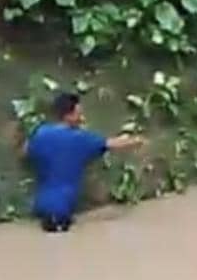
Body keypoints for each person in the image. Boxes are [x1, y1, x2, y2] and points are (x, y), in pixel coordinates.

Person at [24, 91, 141, 232]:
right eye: (78, 114)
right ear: (68, 115)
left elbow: (25, 151)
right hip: (62, 211)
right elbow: (112, 144)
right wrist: (137, 141)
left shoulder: (40, 133)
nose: (82, 118)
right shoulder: (80, 138)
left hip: (41, 206)